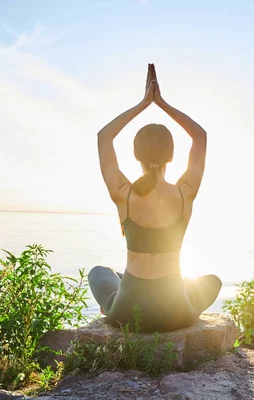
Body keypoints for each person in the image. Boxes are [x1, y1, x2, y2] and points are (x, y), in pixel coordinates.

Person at [88, 64, 222, 332]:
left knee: (99, 273)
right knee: (212, 281)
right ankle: (181, 298)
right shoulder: (185, 193)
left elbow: (104, 137)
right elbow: (200, 136)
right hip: (176, 313)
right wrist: (161, 103)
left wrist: (143, 104)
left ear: (135, 154)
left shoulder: (123, 194)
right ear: (172, 155)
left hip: (127, 312)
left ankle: (116, 300)